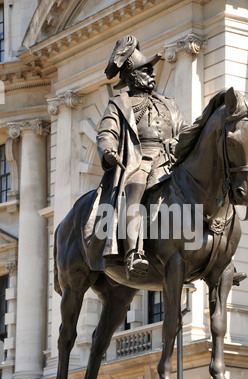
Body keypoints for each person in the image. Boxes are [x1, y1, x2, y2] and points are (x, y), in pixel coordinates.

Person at [97, 35, 189, 279]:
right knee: (135, 187)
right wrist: (108, 151)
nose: (152, 73)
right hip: (141, 160)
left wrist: (178, 142)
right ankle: (133, 253)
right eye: (146, 70)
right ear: (133, 75)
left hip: (172, 160)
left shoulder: (168, 103)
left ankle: (217, 256)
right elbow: (107, 132)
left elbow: (186, 130)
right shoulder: (120, 104)